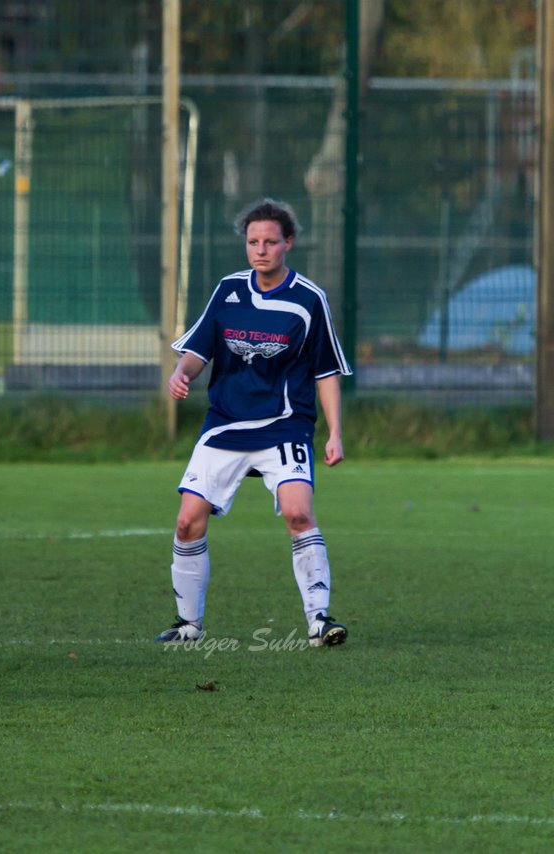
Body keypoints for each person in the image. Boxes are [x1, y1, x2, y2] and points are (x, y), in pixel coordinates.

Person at [155, 198, 351, 649]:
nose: (260, 250)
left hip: (284, 425)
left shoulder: (309, 300)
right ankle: (188, 625)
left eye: (270, 242)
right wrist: (181, 374)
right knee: (187, 523)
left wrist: (335, 432)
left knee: (300, 513)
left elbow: (325, 372)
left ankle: (320, 621)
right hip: (225, 424)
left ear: (289, 244)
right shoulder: (227, 290)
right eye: (253, 242)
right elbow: (198, 350)